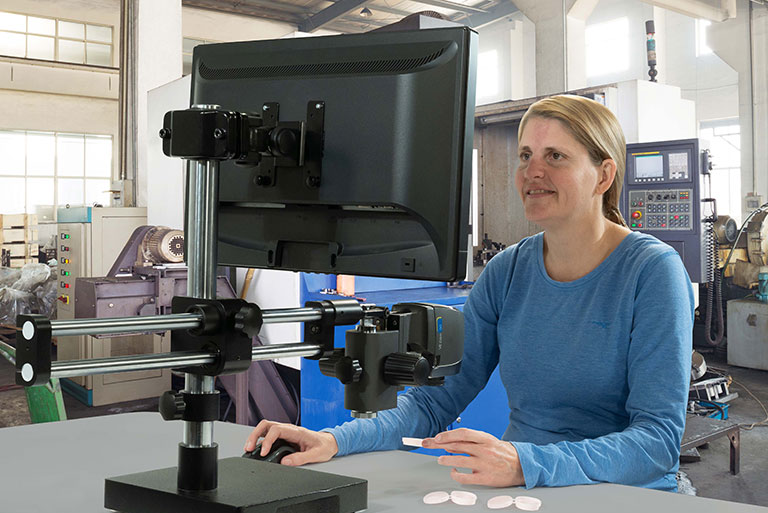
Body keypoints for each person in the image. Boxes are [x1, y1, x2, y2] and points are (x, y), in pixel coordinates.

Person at [244, 94, 695, 492]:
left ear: (603, 175)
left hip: (627, 498)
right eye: (524, 155)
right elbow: (436, 400)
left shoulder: (651, 272)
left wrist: (527, 462)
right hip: (529, 495)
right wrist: (334, 440)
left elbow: (656, 442)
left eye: (555, 156)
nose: (532, 172)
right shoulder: (508, 272)